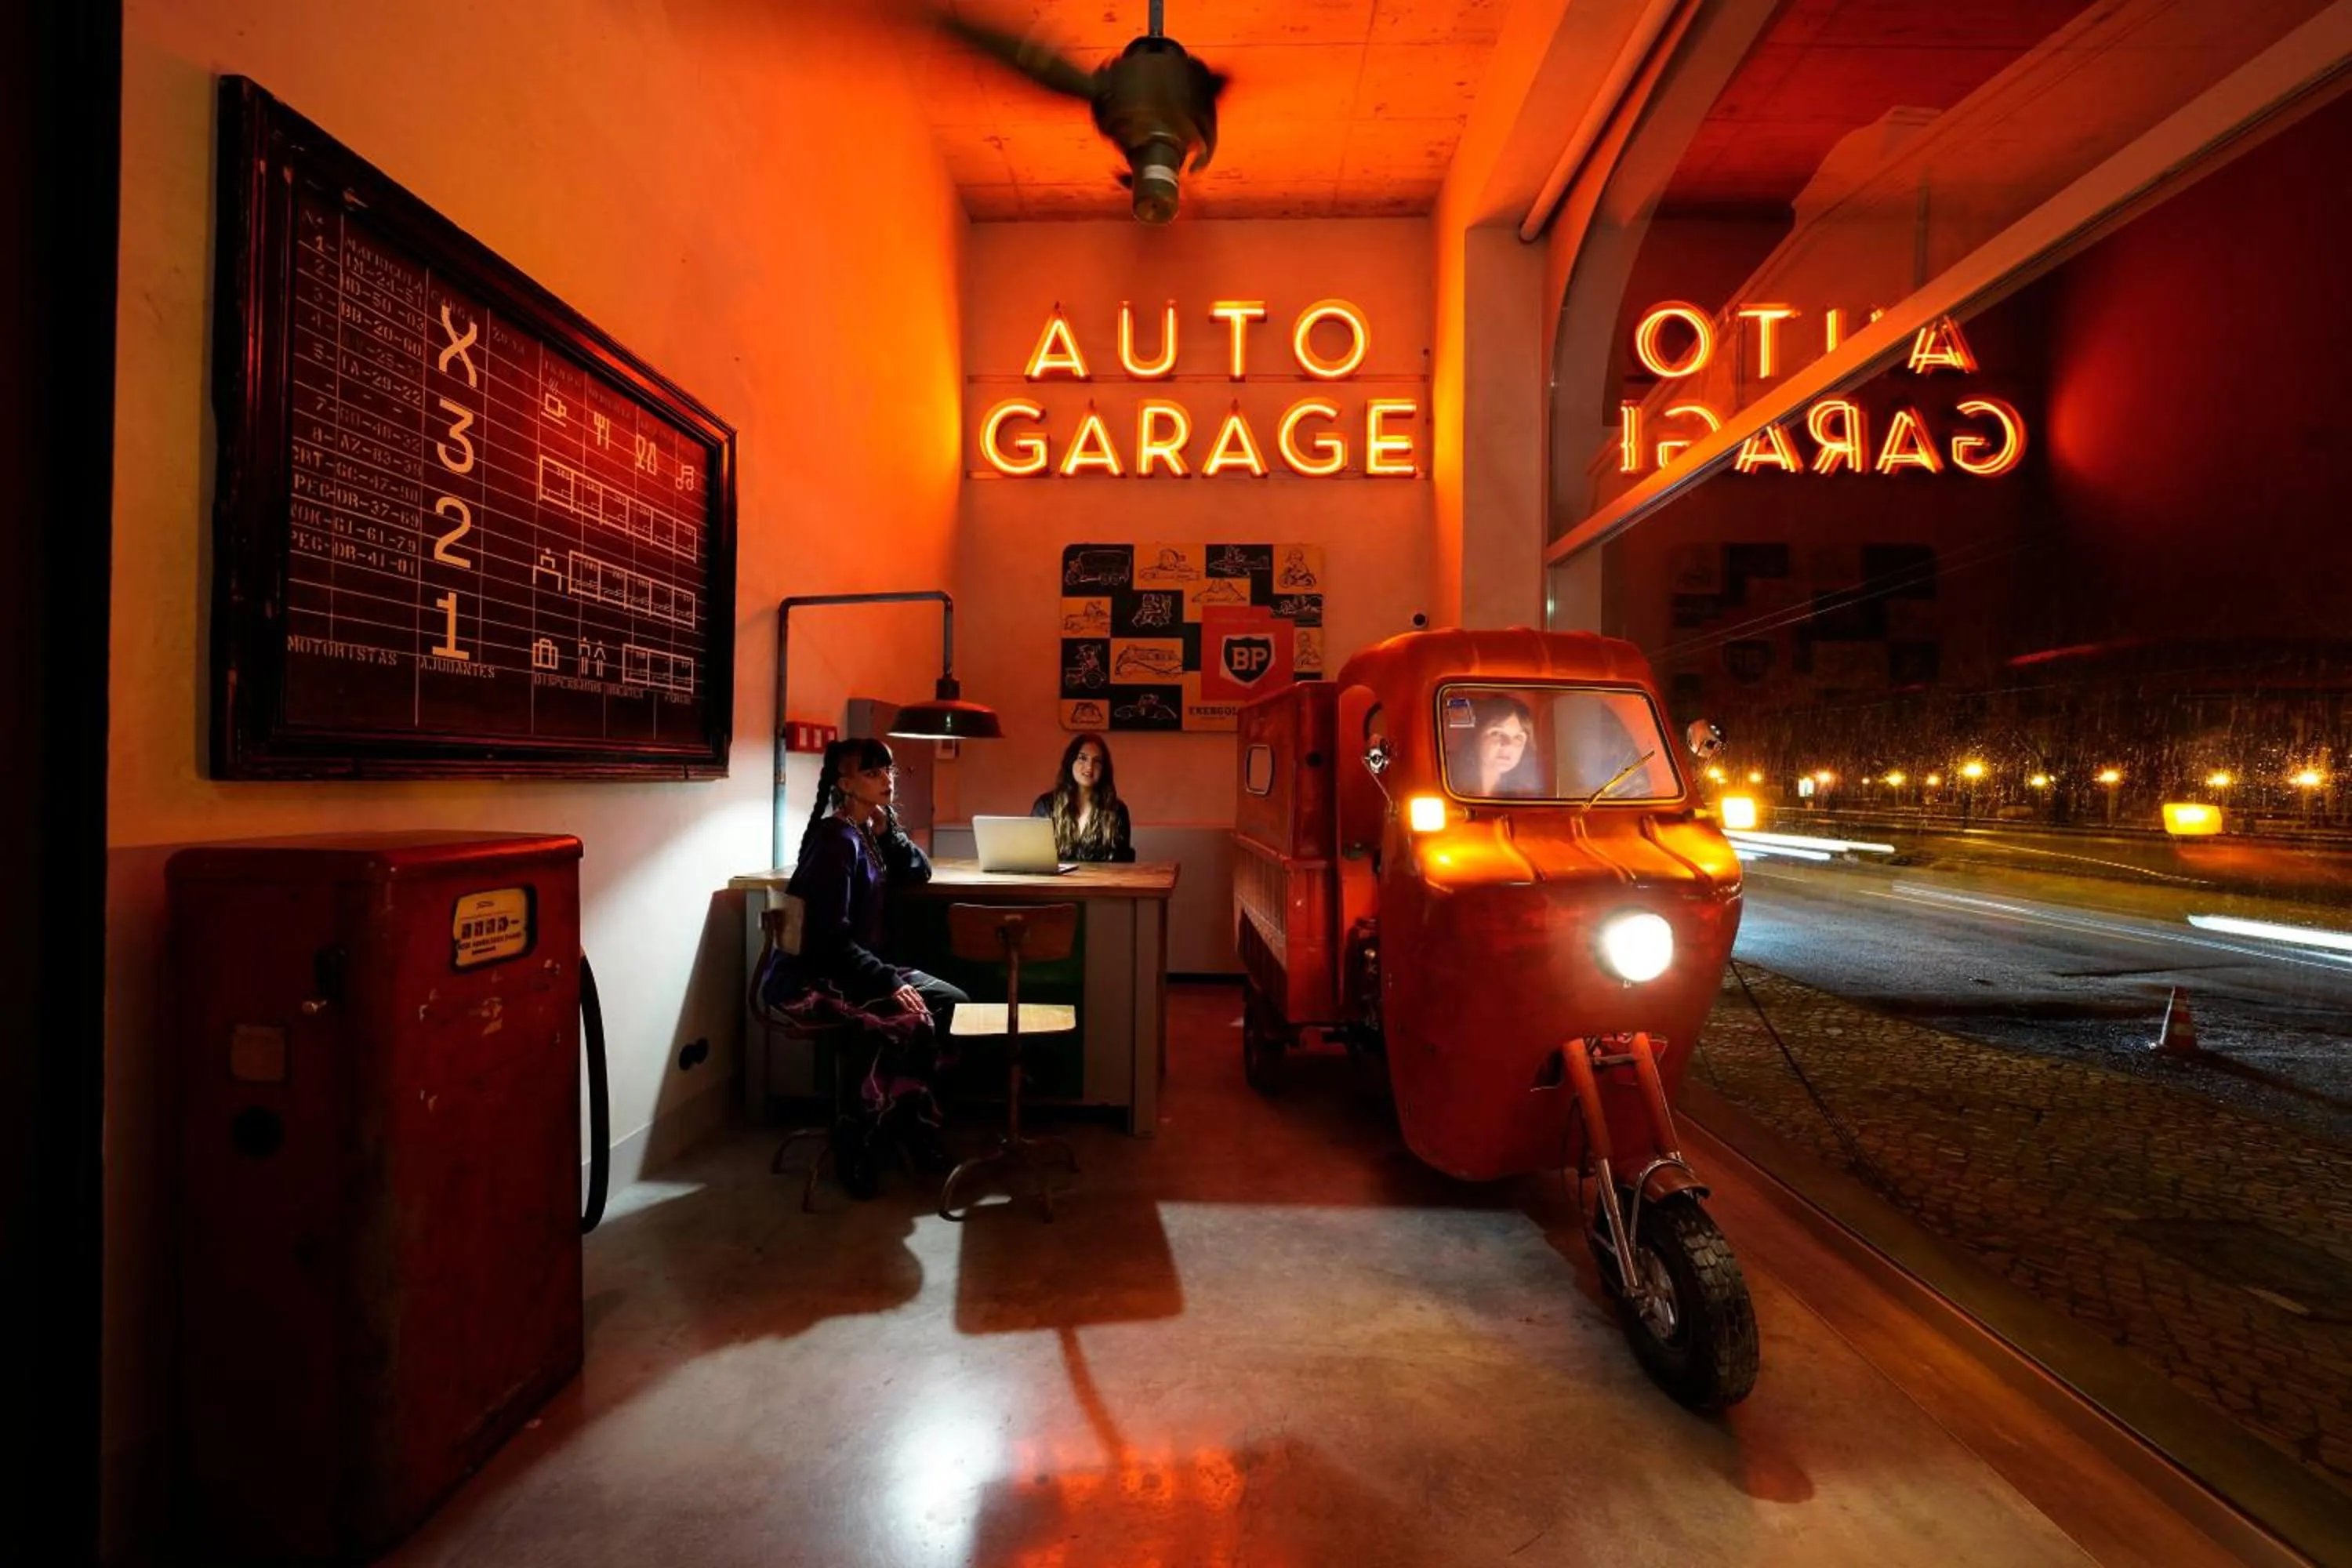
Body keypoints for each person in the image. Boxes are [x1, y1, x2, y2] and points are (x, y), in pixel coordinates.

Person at [771, 738, 968, 1198]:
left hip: (859, 966)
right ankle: (856, 1139)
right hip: (820, 975)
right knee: (907, 1019)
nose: (887, 779)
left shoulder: (865, 833)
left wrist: (887, 831)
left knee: (952, 1004)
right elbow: (827, 941)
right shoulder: (835, 842)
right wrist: (888, 979)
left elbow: (918, 871)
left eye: (889, 771)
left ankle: (909, 1121)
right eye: (873, 773)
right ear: (844, 784)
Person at [1030, 731, 1137, 862]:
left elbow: (1122, 865)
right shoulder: (1046, 807)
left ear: (1104, 769)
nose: (1089, 767)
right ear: (1071, 762)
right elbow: (1034, 857)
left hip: (1101, 882)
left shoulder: (1117, 811)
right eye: (1082, 758)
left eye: (1097, 761)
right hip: (1056, 882)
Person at [1449, 693, 1546, 797]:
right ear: (1476, 736)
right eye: (1496, 733)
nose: (1508, 745)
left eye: (1518, 737)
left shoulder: (1527, 795)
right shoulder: (1448, 782)